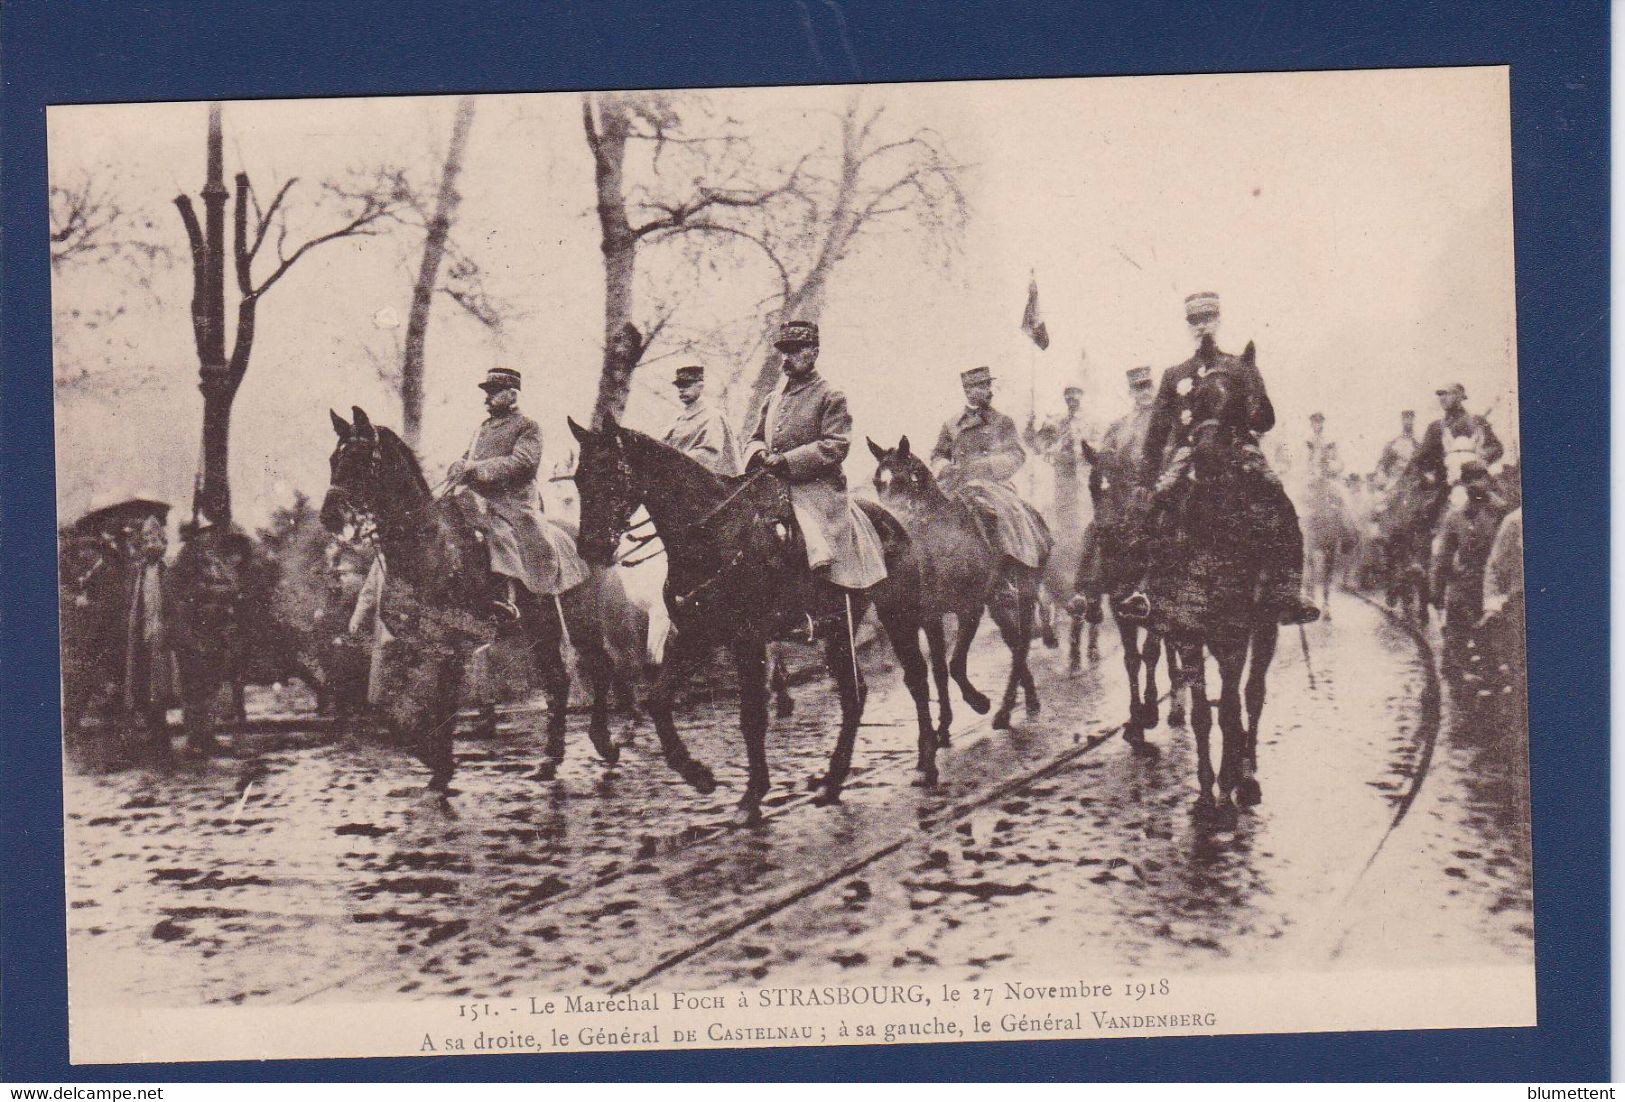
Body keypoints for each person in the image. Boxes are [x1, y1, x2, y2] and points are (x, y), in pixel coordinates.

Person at [1129, 291, 1317, 625]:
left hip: (1237, 445)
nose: (1202, 327)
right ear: (1189, 326)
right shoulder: (1175, 375)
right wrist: (1146, 481)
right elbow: (1156, 435)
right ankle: (1146, 591)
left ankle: (1288, 591)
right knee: (1156, 507)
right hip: (1187, 452)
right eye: (1195, 321)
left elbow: (1264, 422)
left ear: (1218, 320)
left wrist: (1255, 391)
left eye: (1207, 319)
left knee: (1279, 500)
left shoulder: (1239, 365)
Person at [743, 321, 886, 590]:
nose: (787, 358)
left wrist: (787, 460)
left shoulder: (830, 395)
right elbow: (755, 437)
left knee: (811, 541)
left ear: (814, 352)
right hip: (773, 484)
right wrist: (760, 452)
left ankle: (823, 602)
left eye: (796, 350)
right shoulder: (772, 398)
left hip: (815, 488)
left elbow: (836, 445)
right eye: (784, 351)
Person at [448, 367, 587, 618]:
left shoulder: (527, 426)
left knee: (498, 532)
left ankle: (507, 596)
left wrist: (476, 468)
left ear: (512, 395)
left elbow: (523, 463)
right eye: (487, 392)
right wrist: (458, 466)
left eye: (494, 392)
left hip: (512, 503)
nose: (487, 398)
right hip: (477, 498)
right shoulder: (483, 427)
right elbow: (469, 457)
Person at [931, 365, 1050, 570]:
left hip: (994, 485)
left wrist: (987, 465)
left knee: (1005, 516)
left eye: (988, 385)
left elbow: (1017, 454)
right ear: (968, 391)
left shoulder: (1002, 422)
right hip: (957, 486)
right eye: (981, 386)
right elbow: (938, 455)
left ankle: (1008, 572)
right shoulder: (951, 425)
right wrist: (944, 468)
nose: (988, 391)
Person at [1072, 366, 1157, 621]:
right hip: (1123, 489)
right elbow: (1105, 454)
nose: (1142, 392)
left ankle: (1148, 588)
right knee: (1098, 526)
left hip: (1157, 486)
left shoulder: (1165, 421)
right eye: (1137, 388)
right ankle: (1086, 593)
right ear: (1130, 391)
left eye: (1146, 386)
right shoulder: (1120, 425)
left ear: (1153, 388)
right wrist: (1098, 455)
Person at [1430, 460, 1509, 677]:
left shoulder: (1500, 512)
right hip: (1465, 585)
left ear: (1487, 480)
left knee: (1492, 645)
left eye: (1480, 478)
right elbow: (1443, 556)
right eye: (1470, 480)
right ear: (1463, 484)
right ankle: (1458, 686)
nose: (1476, 485)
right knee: (1456, 643)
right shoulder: (1456, 517)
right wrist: (1437, 589)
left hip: (1494, 584)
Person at [1409, 383, 1505, 493]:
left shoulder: (1477, 421)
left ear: (1460, 396)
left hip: (1479, 474)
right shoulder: (1435, 427)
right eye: (1440, 395)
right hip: (1449, 482)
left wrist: (1482, 458)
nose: (1442, 398)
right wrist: (1430, 472)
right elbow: (1423, 458)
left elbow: (1496, 447)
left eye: (1447, 394)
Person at [1025, 383, 1091, 528]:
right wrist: (1030, 428)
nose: (1072, 401)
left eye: (1076, 397)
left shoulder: (1091, 422)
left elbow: (1097, 450)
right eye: (1069, 397)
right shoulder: (1055, 422)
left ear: (1081, 397)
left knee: (1086, 520)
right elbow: (1038, 446)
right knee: (1063, 520)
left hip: (1085, 481)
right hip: (1062, 480)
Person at [660, 364, 740, 476]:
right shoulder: (677, 418)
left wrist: (674, 461)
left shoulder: (713, 416)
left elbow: (709, 454)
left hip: (696, 480)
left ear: (700, 386)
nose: (681, 390)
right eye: (679, 386)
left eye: (686, 385)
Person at [1375, 409, 1420, 489]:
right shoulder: (1394, 444)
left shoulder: (1417, 444)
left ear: (1413, 421)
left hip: (1412, 483)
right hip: (1395, 482)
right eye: (1406, 419)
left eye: (1410, 419)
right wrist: (1381, 476)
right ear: (1402, 421)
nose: (1408, 422)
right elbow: (1382, 464)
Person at [1305, 412, 1343, 483]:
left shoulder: (1330, 441)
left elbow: (1340, 464)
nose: (1317, 424)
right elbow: (1305, 463)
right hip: (1313, 479)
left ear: (1323, 423)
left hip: (1329, 479)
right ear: (1311, 424)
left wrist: (1329, 463)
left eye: (1319, 421)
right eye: (1314, 421)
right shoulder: (1308, 442)